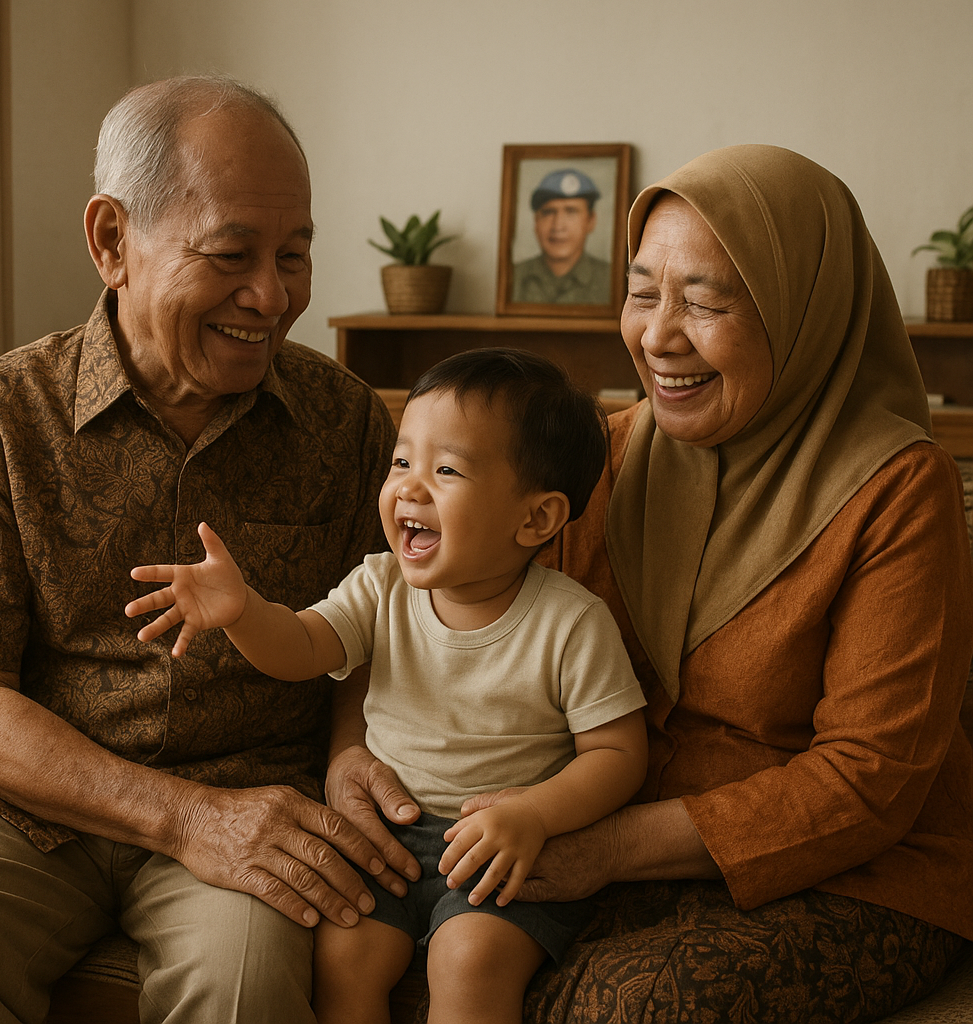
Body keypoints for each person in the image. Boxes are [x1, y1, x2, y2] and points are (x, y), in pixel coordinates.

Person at [329, 145, 973, 1023]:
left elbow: (867, 782)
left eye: (706, 302)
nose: (658, 336)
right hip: (585, 827)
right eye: (640, 293)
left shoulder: (899, 488)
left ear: (804, 311)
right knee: (358, 928)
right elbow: (435, 605)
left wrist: (604, 847)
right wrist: (349, 754)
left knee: (625, 1007)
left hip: (851, 870)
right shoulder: (604, 454)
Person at [0, 75, 402, 1024]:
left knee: (243, 987)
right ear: (113, 241)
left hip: (254, 800)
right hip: (26, 812)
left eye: (295, 254)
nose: (273, 296)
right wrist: (182, 816)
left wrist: (355, 747)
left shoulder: (346, 420)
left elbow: (384, 622)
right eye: (232, 253)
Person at [124, 348, 649, 1024]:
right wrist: (243, 612)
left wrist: (535, 815)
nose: (408, 487)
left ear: (536, 519)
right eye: (402, 461)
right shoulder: (381, 585)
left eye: (447, 469)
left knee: (467, 961)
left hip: (499, 846)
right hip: (387, 841)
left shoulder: (571, 623)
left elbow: (618, 755)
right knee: (344, 959)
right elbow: (303, 647)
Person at [511, 169, 611, 306]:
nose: (558, 226)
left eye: (571, 212)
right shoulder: (512, 277)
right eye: (548, 212)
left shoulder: (611, 279)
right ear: (536, 222)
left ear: (591, 221)